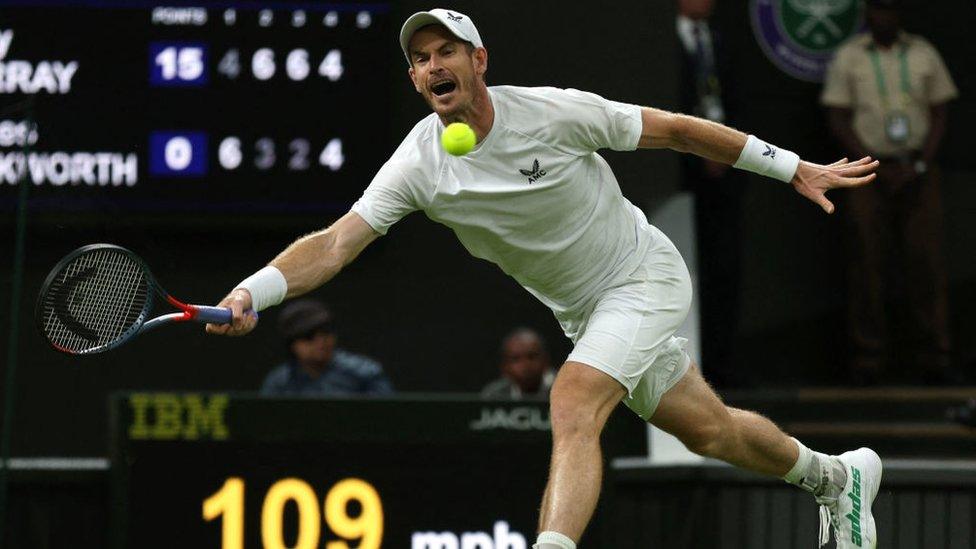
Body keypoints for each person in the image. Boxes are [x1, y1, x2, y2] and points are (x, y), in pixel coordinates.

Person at [208, 9, 881, 548]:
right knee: (710, 432)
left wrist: (791, 165)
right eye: (419, 59)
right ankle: (836, 477)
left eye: (446, 50)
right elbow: (333, 245)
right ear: (415, 80)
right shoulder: (419, 163)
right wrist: (251, 291)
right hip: (585, 312)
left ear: (479, 61)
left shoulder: (553, 114)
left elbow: (675, 129)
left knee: (572, 400)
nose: (432, 65)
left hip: (641, 274)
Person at [822, 0, 958, 385]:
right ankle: (869, 359)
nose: (885, 17)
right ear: (868, 15)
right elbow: (837, 115)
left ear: (901, 14)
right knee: (866, 261)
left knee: (926, 259)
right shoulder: (849, 57)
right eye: (878, 10)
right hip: (868, 171)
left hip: (917, 168)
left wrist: (919, 164)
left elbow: (940, 112)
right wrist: (870, 163)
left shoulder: (923, 52)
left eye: (891, 10)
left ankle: (936, 356)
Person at [676, 0, 747, 387]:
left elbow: (735, 103)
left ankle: (723, 367)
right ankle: (687, 371)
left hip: (725, 177)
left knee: (724, 270)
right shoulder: (663, 44)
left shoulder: (719, 42)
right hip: (681, 178)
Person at [259, 299, 393, 396]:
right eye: (309, 336)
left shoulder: (365, 374)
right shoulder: (279, 382)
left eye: (326, 332)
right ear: (293, 344)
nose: (320, 342)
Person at [482, 328, 556, 399]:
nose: (525, 365)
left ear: (546, 361)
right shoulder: (494, 395)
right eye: (516, 359)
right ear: (505, 366)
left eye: (532, 357)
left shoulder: (562, 388)